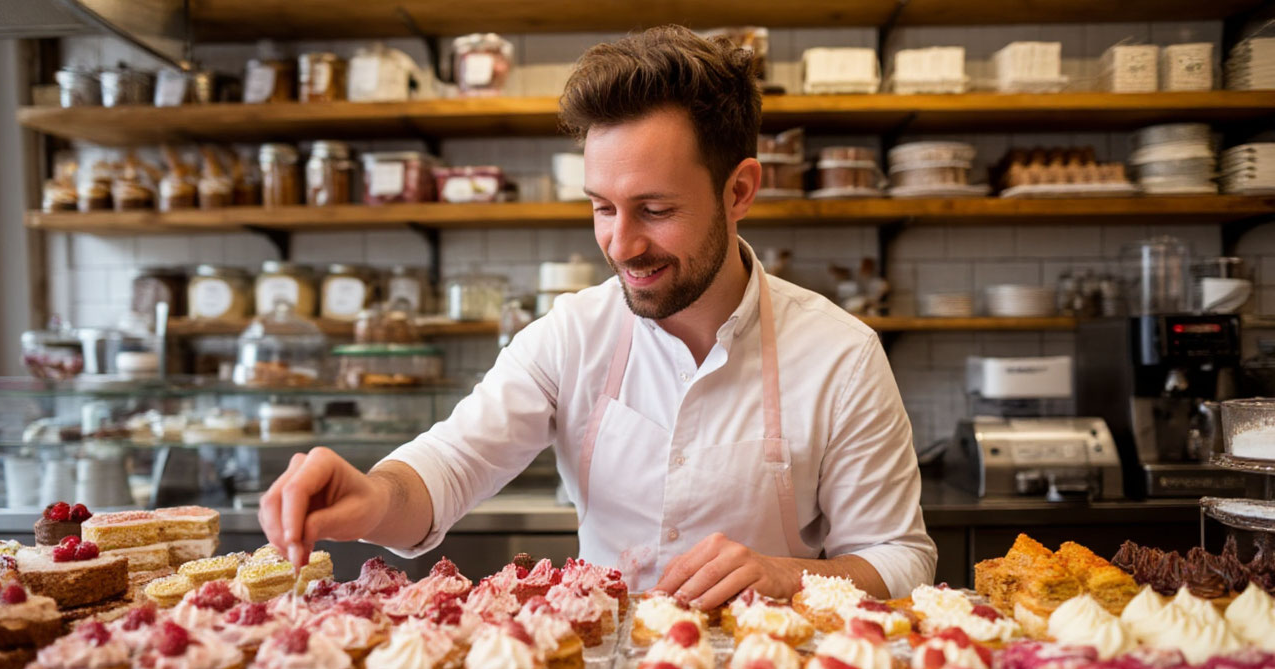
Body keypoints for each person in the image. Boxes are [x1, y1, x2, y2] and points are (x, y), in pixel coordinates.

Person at [258, 25, 936, 608]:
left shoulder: (840, 355)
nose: (620, 244)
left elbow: (900, 556)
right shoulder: (569, 337)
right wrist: (374, 497)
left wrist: (786, 576)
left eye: (655, 210)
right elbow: (451, 463)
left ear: (739, 191)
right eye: (601, 207)